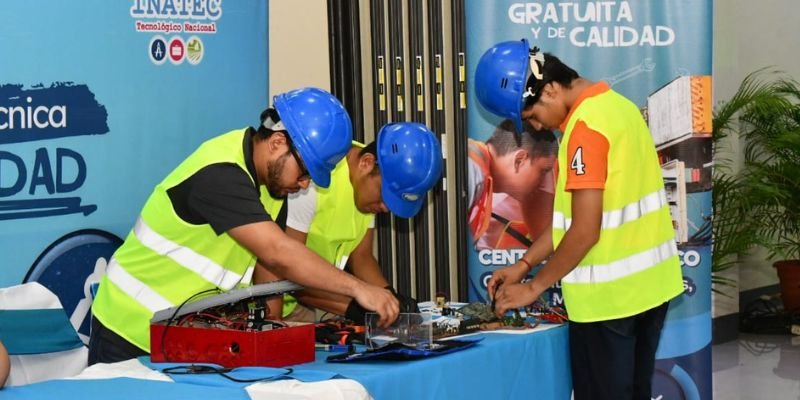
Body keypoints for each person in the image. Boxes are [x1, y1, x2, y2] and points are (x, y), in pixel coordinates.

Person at [89, 87, 400, 365]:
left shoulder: (271, 184)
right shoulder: (221, 174)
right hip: (129, 331)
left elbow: (268, 272)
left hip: (184, 336)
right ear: (278, 142)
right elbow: (279, 252)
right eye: (304, 173)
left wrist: (271, 327)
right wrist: (358, 289)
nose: (305, 185)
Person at [476, 39, 683, 399]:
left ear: (551, 88)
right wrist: (524, 264)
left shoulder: (585, 131)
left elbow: (585, 231)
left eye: (533, 116)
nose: (538, 128)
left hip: (610, 303)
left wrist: (533, 287)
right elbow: (569, 221)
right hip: (650, 291)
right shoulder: (620, 107)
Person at [258, 122, 443, 324]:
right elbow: (285, 268)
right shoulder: (312, 181)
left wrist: (390, 299)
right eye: (384, 196)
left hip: (305, 301)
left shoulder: (365, 184)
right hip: (266, 299)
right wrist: (354, 307)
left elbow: (361, 256)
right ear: (366, 163)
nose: (386, 208)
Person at [468, 119, 556, 249]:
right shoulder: (473, 172)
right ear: (519, 160)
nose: (542, 183)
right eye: (543, 171)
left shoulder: (475, 168)